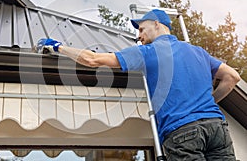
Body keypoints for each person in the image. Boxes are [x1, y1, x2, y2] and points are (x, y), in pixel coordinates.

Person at [35, 9, 241, 160]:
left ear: (157, 24)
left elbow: (92, 60)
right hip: (217, 129)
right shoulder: (198, 52)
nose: (139, 35)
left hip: (182, 132)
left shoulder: (148, 52)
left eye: (142, 29)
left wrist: (57, 46)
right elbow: (232, 77)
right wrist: (205, 103)